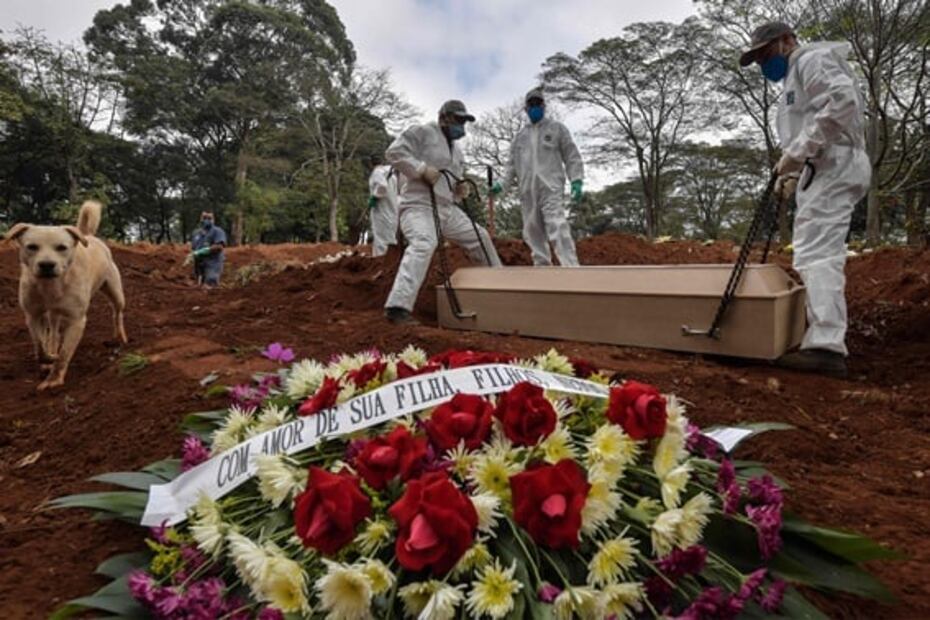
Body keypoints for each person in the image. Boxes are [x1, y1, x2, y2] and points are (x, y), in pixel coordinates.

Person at [740, 22, 870, 378]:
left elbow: (842, 102)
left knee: (818, 253)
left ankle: (826, 347)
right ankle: (821, 335)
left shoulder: (812, 60)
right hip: (824, 168)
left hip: (835, 164)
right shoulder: (794, 79)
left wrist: (797, 153)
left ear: (787, 40)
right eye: (758, 59)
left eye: (766, 53)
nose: (764, 63)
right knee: (812, 250)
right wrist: (794, 174)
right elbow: (812, 123)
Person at [383, 100, 502, 325]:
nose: (461, 126)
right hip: (419, 206)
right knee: (424, 243)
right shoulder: (422, 132)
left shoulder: (458, 151)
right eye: (458, 120)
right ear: (443, 117)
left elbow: (452, 180)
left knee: (480, 237)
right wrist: (421, 169)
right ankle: (397, 306)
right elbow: (394, 152)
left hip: (447, 208)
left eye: (464, 122)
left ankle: (501, 284)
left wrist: (459, 189)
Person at [493, 87, 584, 266]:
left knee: (556, 224)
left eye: (538, 103)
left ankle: (571, 267)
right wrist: (501, 185)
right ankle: (542, 267)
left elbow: (571, 155)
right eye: (531, 104)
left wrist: (577, 180)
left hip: (551, 188)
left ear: (544, 106)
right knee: (532, 230)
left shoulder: (557, 129)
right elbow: (511, 166)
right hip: (527, 191)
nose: (535, 107)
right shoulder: (520, 138)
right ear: (526, 109)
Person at [367, 156, 401, 257]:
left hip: (381, 210)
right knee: (389, 237)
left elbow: (382, 186)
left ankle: (381, 260)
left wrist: (374, 197)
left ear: (370, 164)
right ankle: (391, 259)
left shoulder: (377, 172)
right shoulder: (391, 175)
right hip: (392, 210)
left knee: (381, 237)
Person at [189, 211, 227, 287]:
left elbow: (220, 246)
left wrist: (204, 251)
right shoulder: (196, 233)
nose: (206, 220)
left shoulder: (217, 231)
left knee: (210, 284)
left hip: (213, 263)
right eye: (204, 218)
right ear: (200, 219)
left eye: (209, 218)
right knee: (199, 285)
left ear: (213, 220)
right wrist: (192, 255)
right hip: (199, 264)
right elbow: (193, 247)